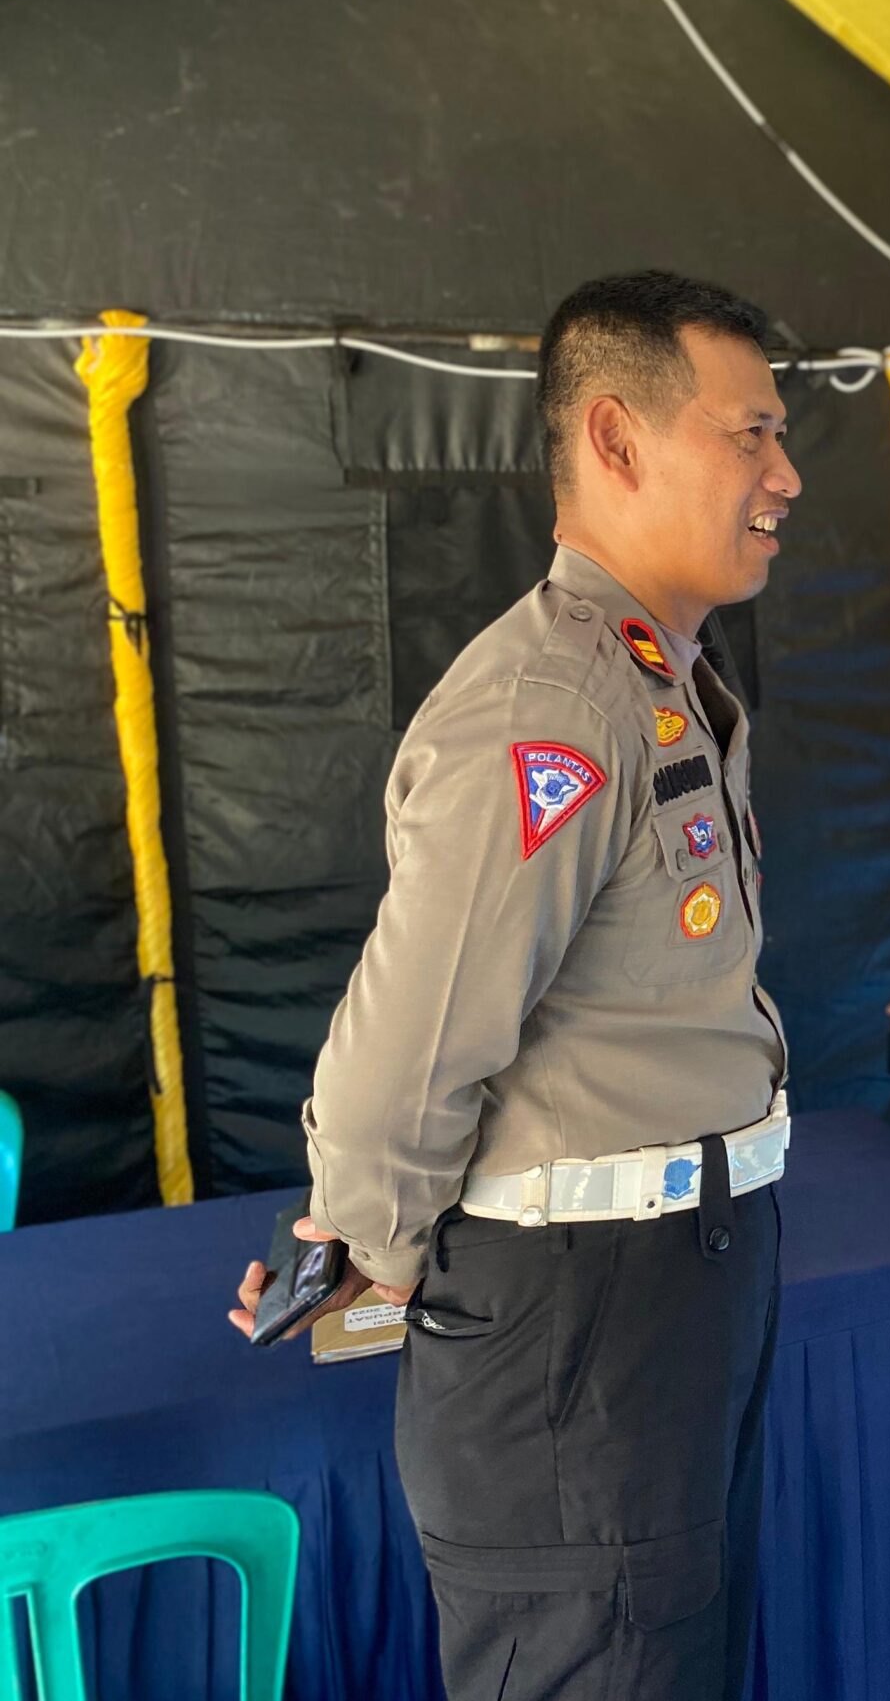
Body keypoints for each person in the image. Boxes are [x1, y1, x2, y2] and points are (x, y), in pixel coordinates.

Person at [225, 271, 801, 1700]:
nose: (785, 476)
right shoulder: (552, 705)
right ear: (615, 438)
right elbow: (410, 1055)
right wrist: (369, 1241)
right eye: (752, 434)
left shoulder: (655, 677)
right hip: (578, 1327)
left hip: (668, 1293)